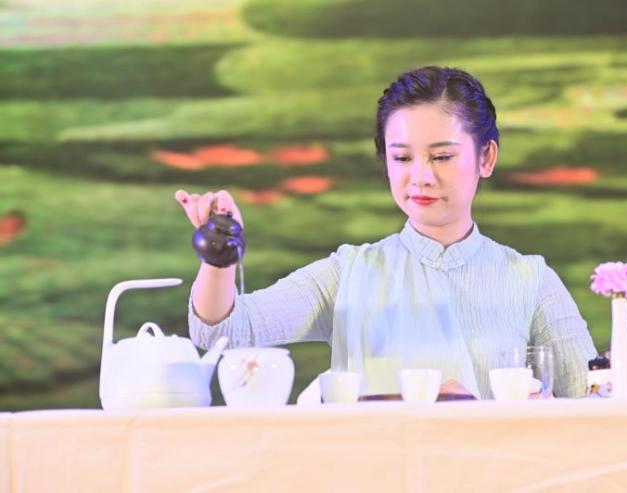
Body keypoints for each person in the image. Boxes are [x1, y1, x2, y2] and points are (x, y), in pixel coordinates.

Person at [177, 66, 597, 399]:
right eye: (402, 158)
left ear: (486, 157)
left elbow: (594, 400)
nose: (421, 177)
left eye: (441, 157)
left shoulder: (531, 280)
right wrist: (219, 258)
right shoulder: (349, 273)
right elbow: (225, 331)